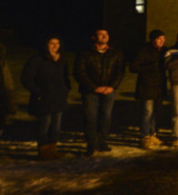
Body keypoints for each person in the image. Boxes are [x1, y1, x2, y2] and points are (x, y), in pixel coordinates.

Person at [73, 29, 124, 157]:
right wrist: (94, 87)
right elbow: (80, 72)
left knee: (105, 117)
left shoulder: (114, 53)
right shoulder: (85, 53)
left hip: (108, 90)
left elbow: (119, 72)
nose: (104, 36)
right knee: (90, 117)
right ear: (94, 37)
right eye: (101, 34)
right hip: (90, 91)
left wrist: (112, 87)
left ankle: (102, 141)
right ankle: (91, 143)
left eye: (106, 34)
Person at [21, 36, 70, 160]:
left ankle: (52, 149)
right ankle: (43, 151)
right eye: (52, 43)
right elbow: (27, 79)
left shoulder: (62, 60)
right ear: (46, 45)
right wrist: (39, 92)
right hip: (43, 98)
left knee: (56, 125)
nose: (55, 46)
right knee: (44, 125)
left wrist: (66, 89)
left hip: (58, 98)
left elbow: (65, 77)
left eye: (57, 43)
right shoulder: (37, 60)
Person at [130, 29, 167, 149]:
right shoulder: (144, 51)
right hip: (146, 86)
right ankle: (145, 137)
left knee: (156, 111)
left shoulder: (164, 51)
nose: (162, 41)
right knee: (147, 112)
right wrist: (151, 67)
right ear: (152, 40)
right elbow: (133, 67)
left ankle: (153, 134)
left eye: (163, 38)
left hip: (159, 86)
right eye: (159, 39)